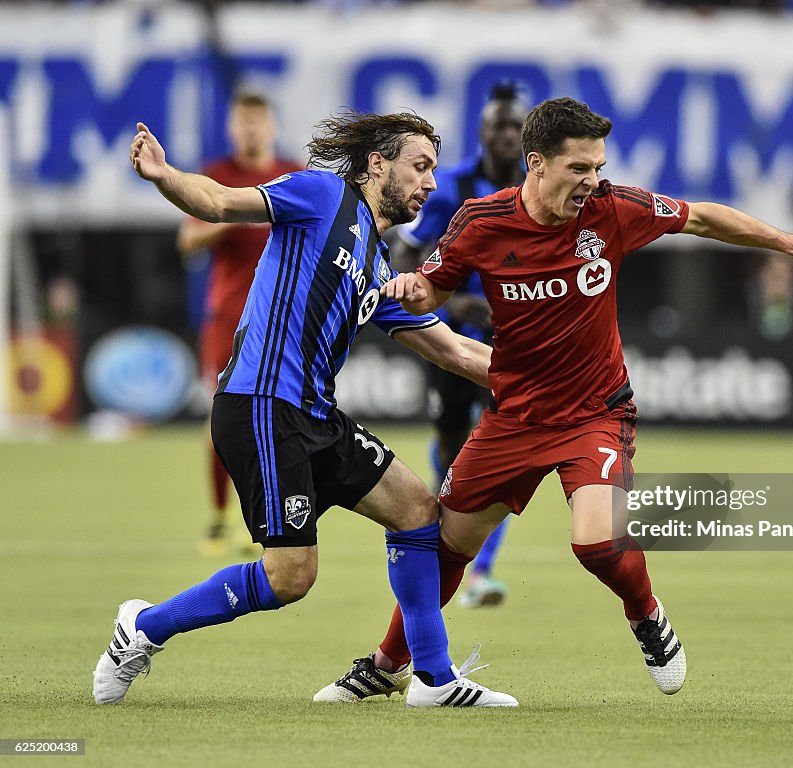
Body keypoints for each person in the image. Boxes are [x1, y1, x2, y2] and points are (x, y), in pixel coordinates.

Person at [321, 97, 793, 700]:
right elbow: (432, 291)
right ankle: (386, 666)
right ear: (537, 164)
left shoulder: (612, 209)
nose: (593, 181)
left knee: (596, 543)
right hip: (515, 416)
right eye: (579, 168)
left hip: (595, 413)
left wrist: (787, 243)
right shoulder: (481, 222)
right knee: (446, 547)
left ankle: (646, 614)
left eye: (598, 166)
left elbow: (700, 218)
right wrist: (412, 289)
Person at [92, 111, 518, 708]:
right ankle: (142, 630)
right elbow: (216, 201)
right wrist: (164, 176)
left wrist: (542, 379)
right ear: (378, 164)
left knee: (420, 512)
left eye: (434, 171)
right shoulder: (320, 192)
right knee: (290, 577)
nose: (429, 183)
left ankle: (433, 678)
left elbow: (450, 347)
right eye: (419, 167)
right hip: (262, 406)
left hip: (314, 414)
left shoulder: (376, 265)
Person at [391, 82, 527, 609]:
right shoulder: (449, 190)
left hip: (509, 343)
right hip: (449, 339)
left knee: (503, 450)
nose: (508, 135)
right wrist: (447, 305)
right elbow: (402, 258)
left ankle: (480, 573)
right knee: (452, 444)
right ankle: (442, 541)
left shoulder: (538, 191)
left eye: (516, 126)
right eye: (499, 125)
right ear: (482, 133)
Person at [177, 91, 304, 556]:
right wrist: (230, 213)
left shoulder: (292, 175)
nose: (250, 130)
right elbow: (188, 242)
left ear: (271, 126)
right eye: (242, 123)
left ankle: (268, 520)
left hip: (282, 317)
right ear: (232, 128)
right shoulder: (219, 179)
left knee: (276, 421)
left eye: (257, 122)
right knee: (224, 417)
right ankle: (218, 518)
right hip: (228, 316)